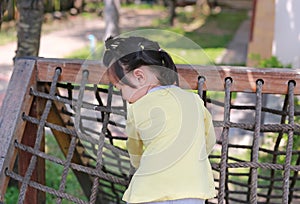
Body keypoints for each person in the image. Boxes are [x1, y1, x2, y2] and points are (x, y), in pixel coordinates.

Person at [103, 36, 216, 204]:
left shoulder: (136, 107)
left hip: (149, 190)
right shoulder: (194, 101)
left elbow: (135, 149)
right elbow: (209, 140)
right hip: (191, 189)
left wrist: (139, 163)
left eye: (121, 88)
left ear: (140, 77)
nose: (124, 95)